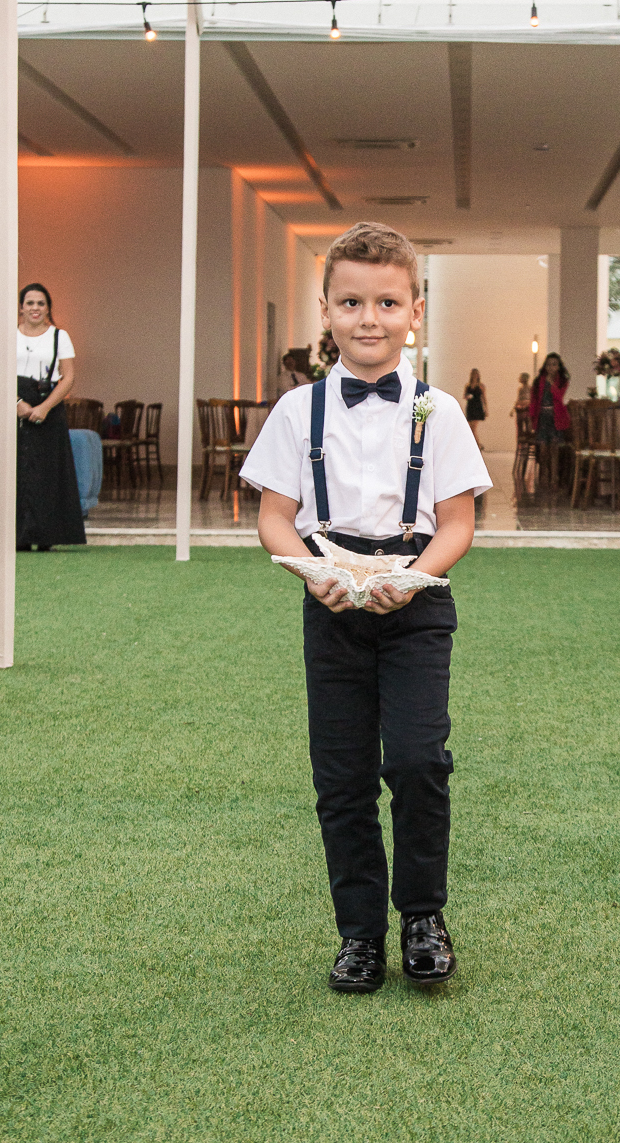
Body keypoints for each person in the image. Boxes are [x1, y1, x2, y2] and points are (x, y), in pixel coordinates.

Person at [242, 221, 491, 994]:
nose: (369, 318)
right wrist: (312, 571)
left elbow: (459, 522)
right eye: (351, 302)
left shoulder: (438, 411)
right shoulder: (297, 411)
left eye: (387, 302)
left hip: (416, 604)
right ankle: (358, 934)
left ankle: (423, 915)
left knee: (419, 761)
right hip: (333, 602)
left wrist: (412, 578)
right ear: (326, 310)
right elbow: (274, 514)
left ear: (415, 309)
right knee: (342, 776)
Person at [0, 283, 85, 552]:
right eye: (30, 303)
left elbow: (68, 376)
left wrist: (44, 407)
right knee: (11, 469)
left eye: (40, 303)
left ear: (48, 307)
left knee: (47, 471)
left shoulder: (59, 336)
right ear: (20, 307)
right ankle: (14, 535)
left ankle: (46, 534)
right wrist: (15, 402)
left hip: (47, 405)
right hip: (14, 403)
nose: (35, 308)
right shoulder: (8, 336)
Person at [529, 352, 571, 489]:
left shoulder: (562, 381)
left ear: (558, 367)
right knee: (543, 448)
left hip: (556, 417)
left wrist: (552, 385)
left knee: (555, 448)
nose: (551, 367)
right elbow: (534, 400)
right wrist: (532, 417)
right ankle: (544, 476)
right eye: (548, 365)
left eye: (554, 364)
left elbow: (559, 397)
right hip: (542, 417)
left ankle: (554, 477)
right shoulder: (538, 381)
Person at [463, 368, 487, 446]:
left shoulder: (481, 386)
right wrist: (468, 396)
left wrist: (486, 409)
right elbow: (464, 396)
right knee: (470, 428)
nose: (475, 376)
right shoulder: (468, 385)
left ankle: (478, 445)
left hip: (477, 407)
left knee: (473, 428)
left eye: (476, 374)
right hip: (470, 407)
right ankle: (477, 445)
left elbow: (484, 398)